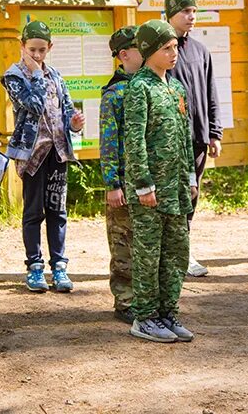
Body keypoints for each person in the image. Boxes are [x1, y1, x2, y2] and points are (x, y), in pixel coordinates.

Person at [124, 20, 197, 343]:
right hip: (150, 190)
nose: (174, 53)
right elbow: (135, 140)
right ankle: (146, 317)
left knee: (177, 251)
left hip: (176, 188)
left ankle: (168, 312)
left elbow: (184, 136)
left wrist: (191, 177)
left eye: (175, 47)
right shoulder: (139, 87)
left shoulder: (175, 87)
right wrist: (142, 184)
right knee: (149, 253)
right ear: (149, 51)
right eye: (166, 49)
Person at [1, 20, 85, 294]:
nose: (37, 56)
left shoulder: (57, 76)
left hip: (58, 153)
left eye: (42, 50)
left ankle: (59, 266)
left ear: (50, 48)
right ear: (22, 46)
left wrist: (74, 122)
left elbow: (67, 107)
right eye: (32, 50)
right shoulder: (13, 76)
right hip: (32, 154)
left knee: (57, 210)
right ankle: (34, 267)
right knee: (33, 211)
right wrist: (36, 74)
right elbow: (33, 105)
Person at [165, 0, 221, 277]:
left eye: (194, 11)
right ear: (170, 15)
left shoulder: (201, 51)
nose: (191, 16)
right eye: (185, 11)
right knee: (173, 198)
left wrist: (214, 133)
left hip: (198, 139)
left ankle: (184, 254)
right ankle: (174, 255)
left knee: (191, 195)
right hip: (171, 142)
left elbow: (211, 93)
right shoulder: (160, 52)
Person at [99, 26, 143, 324]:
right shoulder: (114, 93)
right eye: (142, 48)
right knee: (123, 241)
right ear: (125, 54)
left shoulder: (150, 86)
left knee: (146, 243)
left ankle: (145, 296)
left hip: (147, 182)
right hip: (124, 183)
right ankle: (125, 300)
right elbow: (108, 143)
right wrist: (112, 183)